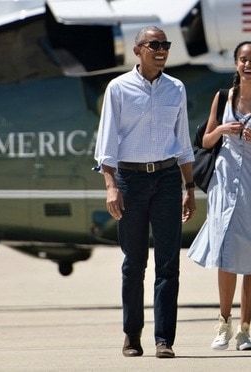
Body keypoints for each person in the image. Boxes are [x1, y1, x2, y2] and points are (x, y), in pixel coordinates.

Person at [94, 26, 196, 359]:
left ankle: (164, 339)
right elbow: (107, 141)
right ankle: (132, 335)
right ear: (138, 50)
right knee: (133, 262)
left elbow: (182, 142)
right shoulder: (118, 88)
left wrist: (189, 187)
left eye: (165, 44)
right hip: (131, 180)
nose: (161, 49)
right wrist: (111, 186)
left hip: (167, 178)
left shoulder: (175, 88)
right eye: (154, 44)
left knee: (169, 263)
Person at [187, 41, 251, 351]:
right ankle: (223, 322)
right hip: (224, 182)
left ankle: (245, 329)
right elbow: (205, 141)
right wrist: (221, 130)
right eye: (243, 60)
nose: (248, 65)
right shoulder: (223, 97)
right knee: (225, 252)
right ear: (236, 64)